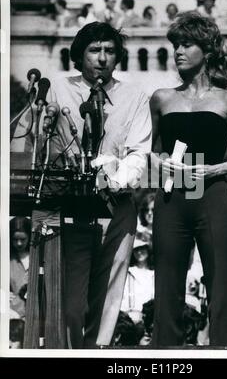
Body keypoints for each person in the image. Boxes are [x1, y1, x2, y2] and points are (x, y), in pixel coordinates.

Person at [150, 11, 227, 347]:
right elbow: (149, 151)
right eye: (176, 45)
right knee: (167, 283)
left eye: (186, 44)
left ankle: (223, 350)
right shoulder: (161, 98)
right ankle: (165, 357)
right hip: (171, 196)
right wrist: (159, 162)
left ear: (207, 50)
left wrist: (216, 169)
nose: (178, 51)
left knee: (220, 282)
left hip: (213, 194)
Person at [40, 22, 151, 348]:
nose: (102, 58)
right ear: (79, 54)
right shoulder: (57, 92)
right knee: (72, 305)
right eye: (94, 50)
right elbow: (44, 146)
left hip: (117, 209)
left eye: (110, 51)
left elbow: (139, 153)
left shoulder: (135, 97)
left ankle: (97, 354)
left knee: (106, 304)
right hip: (72, 210)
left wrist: (112, 180)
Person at [10, 217, 31, 320]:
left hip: (35, 315)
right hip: (13, 315)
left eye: (22, 239)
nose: (18, 243)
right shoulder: (6, 259)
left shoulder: (37, 257)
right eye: (15, 239)